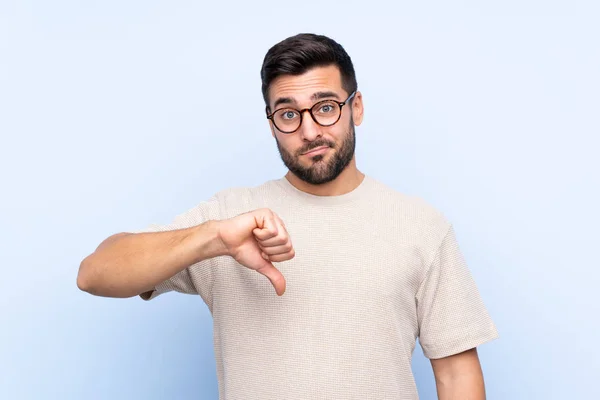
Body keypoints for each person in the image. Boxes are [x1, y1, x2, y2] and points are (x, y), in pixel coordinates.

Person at [77, 33, 499, 400]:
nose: (311, 130)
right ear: (272, 123)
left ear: (357, 108)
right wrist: (214, 239)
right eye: (288, 114)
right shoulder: (229, 218)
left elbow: (456, 371)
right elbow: (95, 274)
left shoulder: (421, 226)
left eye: (327, 107)